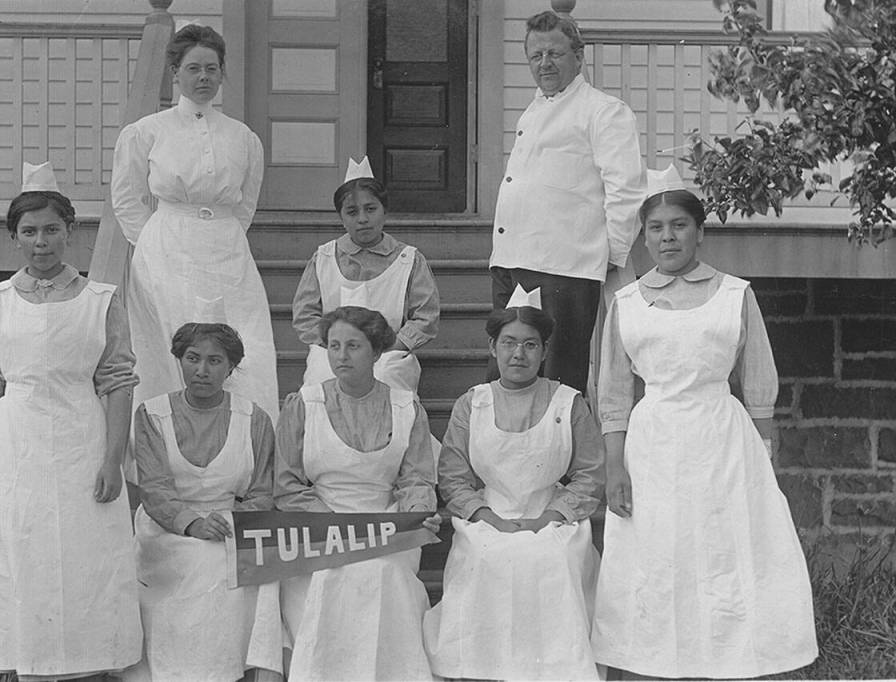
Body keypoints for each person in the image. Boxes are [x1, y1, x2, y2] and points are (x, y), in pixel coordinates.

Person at [591, 167, 818, 678]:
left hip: (721, 435)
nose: (667, 237)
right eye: (655, 228)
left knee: (725, 543)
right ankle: (654, 658)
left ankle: (730, 655)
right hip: (653, 440)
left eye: (678, 225)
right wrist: (613, 466)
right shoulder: (625, 302)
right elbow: (612, 392)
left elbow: (758, 378)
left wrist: (765, 444)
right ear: (643, 235)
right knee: (659, 546)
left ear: (700, 231)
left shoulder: (735, 294)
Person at [0, 162, 142, 679]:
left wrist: (112, 459)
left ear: (71, 232)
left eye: (51, 230)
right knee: (25, 558)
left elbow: (117, 382)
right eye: (29, 231)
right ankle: (33, 668)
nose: (41, 242)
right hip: (15, 445)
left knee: (88, 563)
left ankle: (91, 668)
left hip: (81, 441)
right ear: (15, 237)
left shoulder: (100, 300)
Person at [423, 286, 604, 680]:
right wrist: (486, 515)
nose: (518, 354)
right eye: (508, 343)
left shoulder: (568, 403)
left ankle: (554, 669)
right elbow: (453, 475)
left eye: (530, 345)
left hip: (553, 515)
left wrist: (551, 517)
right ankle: (484, 666)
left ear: (543, 351)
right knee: (487, 556)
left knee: (552, 557)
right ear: (493, 348)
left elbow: (590, 474)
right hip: (489, 513)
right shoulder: (473, 402)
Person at [111, 24, 277, 434]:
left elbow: (246, 203)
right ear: (175, 72)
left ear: (222, 73)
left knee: (245, 345)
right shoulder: (147, 132)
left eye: (212, 69)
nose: (203, 78)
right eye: (193, 69)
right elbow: (127, 199)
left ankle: (246, 450)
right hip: (168, 249)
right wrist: (153, 243)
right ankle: (165, 447)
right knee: (173, 349)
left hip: (227, 249)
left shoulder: (243, 138)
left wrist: (221, 234)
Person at [275, 306, 440, 681]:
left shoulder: (405, 407)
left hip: (386, 524)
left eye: (353, 346)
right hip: (318, 525)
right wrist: (335, 527)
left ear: (377, 352)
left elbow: (416, 479)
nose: (341, 356)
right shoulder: (304, 403)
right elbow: (286, 485)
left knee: (382, 571)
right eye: (333, 346)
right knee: (331, 573)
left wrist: (417, 512)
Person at [489, 10, 646, 393]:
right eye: (536, 56)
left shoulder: (603, 111)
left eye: (555, 54)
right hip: (512, 261)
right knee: (508, 377)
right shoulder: (533, 109)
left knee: (557, 379)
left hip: (564, 267)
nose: (545, 63)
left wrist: (612, 252)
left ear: (579, 56)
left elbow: (626, 188)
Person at [126, 321, 282, 682]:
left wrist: (230, 521)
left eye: (215, 361)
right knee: (201, 559)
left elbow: (262, 492)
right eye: (192, 358)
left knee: (235, 562)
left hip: (230, 527)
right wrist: (193, 523)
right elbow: (155, 490)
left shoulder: (253, 418)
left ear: (231, 367)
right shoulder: (151, 415)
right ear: (179, 360)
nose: (202, 370)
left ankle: (223, 670)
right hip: (167, 531)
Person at [292, 157, 440, 393]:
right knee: (319, 386)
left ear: (385, 211)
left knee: (387, 381)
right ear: (341, 217)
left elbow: (426, 316)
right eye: (352, 212)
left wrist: (393, 345)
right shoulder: (325, 258)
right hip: (334, 354)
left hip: (387, 353)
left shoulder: (408, 260)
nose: (362, 219)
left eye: (370, 209)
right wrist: (333, 345)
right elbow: (305, 314)